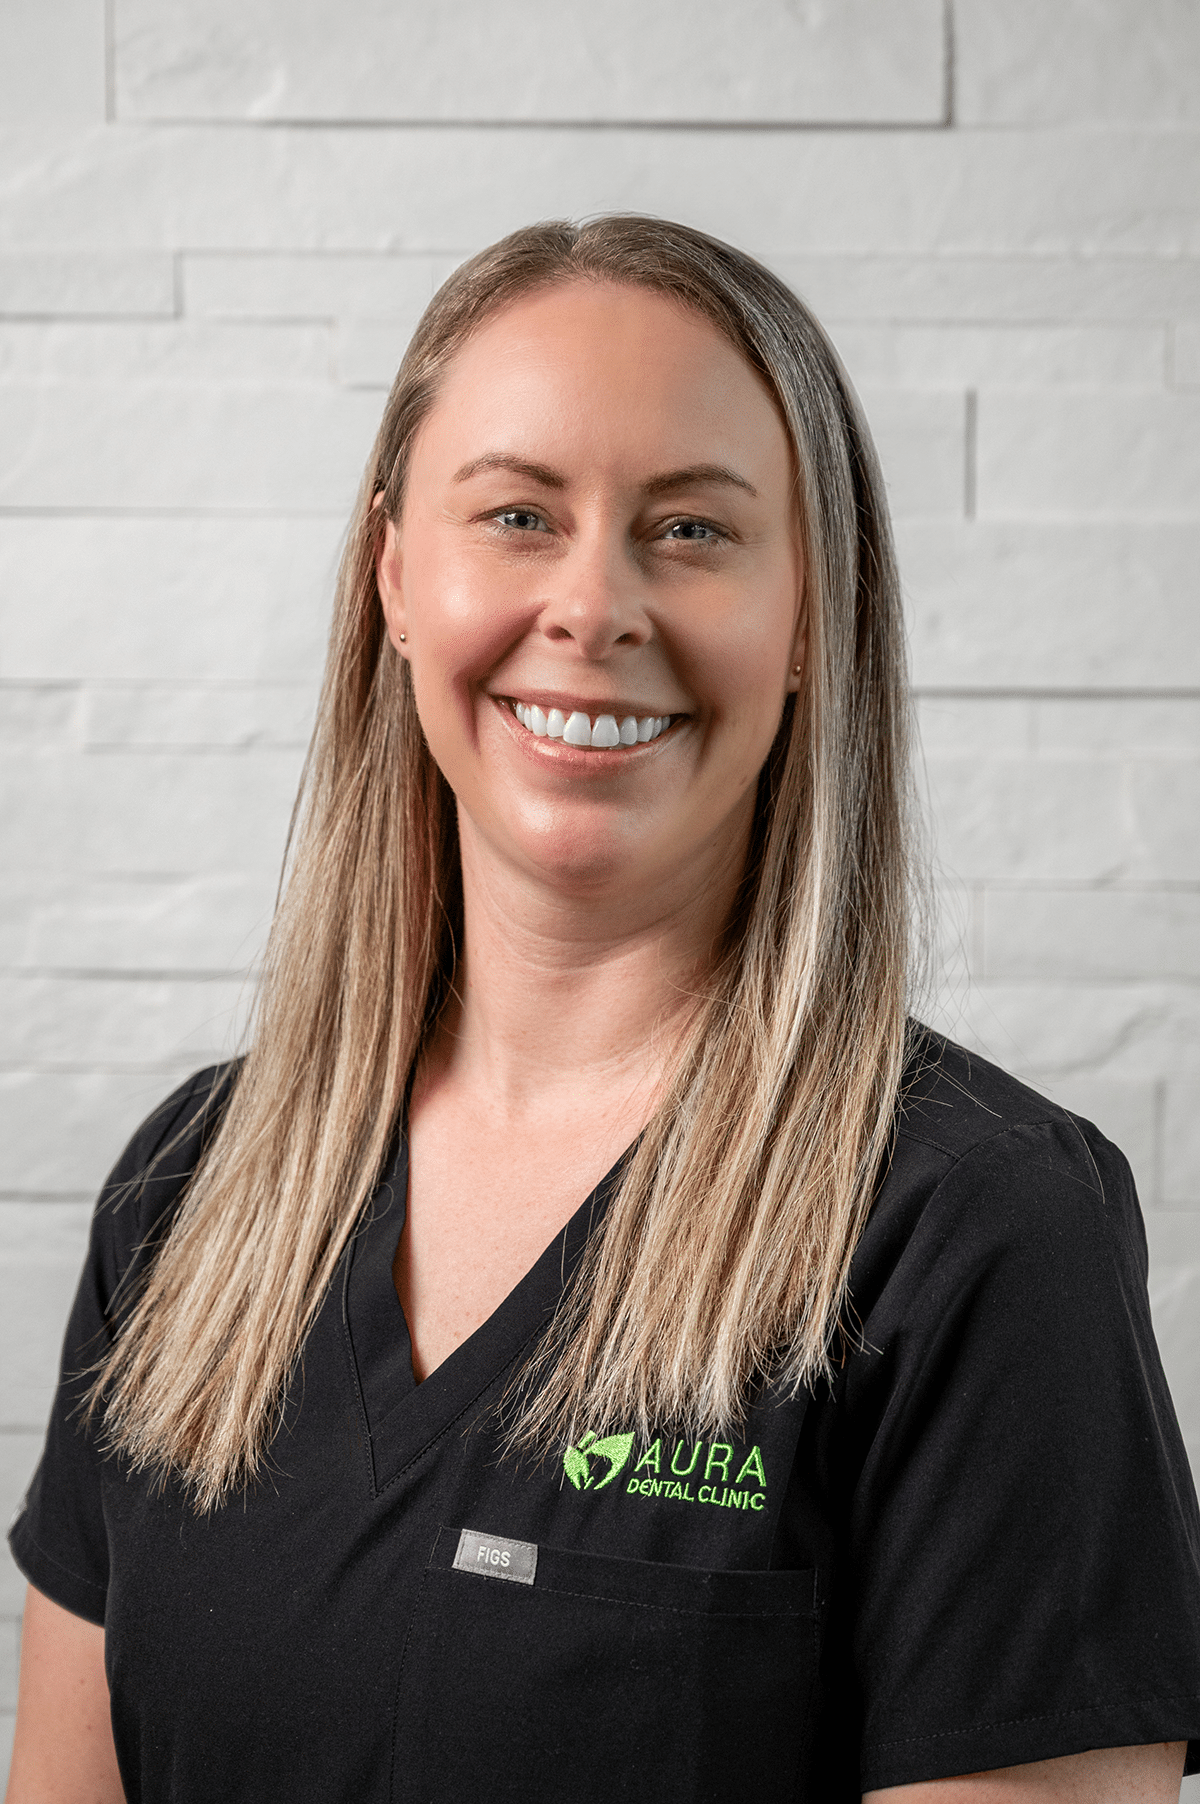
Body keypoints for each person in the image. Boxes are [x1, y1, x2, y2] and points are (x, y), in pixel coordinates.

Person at [5, 216, 1199, 1804]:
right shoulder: (192, 1196)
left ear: (810, 622)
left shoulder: (977, 1231)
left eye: (692, 533)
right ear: (395, 581)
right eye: (515, 514)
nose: (593, 604)